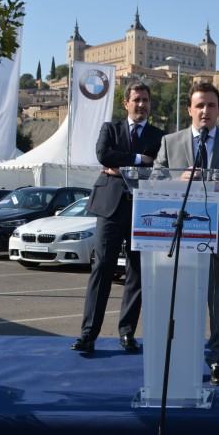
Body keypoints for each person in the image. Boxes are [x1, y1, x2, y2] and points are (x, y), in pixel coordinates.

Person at [153, 82, 219, 385]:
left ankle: (218, 360)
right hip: (180, 236)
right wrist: (179, 179)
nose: (205, 111)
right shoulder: (169, 143)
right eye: (199, 105)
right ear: (189, 109)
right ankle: (182, 357)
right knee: (182, 301)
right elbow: (155, 180)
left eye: (211, 106)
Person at [71, 81, 166, 353]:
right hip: (110, 208)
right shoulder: (109, 129)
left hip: (143, 211)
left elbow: (159, 168)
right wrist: (139, 159)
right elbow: (103, 155)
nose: (141, 105)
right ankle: (88, 335)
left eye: (145, 100)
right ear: (126, 103)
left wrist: (119, 167)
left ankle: (127, 333)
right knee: (102, 269)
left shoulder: (160, 137)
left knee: (136, 273)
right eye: (136, 100)